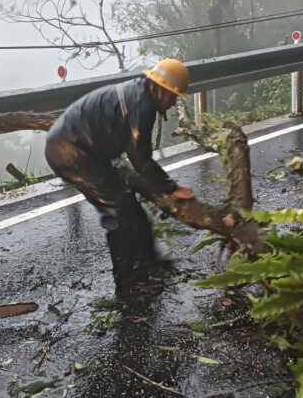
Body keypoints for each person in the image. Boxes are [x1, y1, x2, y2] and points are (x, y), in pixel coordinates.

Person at [44, 58, 196, 296]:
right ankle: (128, 284)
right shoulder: (142, 105)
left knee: (131, 206)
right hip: (70, 152)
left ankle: (148, 261)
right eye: (172, 95)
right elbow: (141, 160)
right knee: (120, 208)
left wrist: (163, 185)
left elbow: (138, 156)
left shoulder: (142, 94)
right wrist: (170, 187)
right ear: (156, 87)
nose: (174, 101)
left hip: (82, 147)